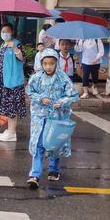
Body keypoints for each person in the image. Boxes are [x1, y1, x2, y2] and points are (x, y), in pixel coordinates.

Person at [26, 49, 79, 189]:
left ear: (56, 63)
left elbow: (73, 95)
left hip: (57, 117)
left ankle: (53, 169)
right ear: (41, 64)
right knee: (39, 143)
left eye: (51, 63)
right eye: (45, 63)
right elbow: (30, 91)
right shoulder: (36, 78)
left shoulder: (63, 78)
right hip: (40, 117)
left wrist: (62, 102)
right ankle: (34, 175)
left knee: (54, 143)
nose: (48, 66)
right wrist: (40, 98)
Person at [0, 23, 26, 142]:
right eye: (2, 31)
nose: (4, 34)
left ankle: (12, 132)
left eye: (7, 31)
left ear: (12, 32)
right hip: (3, 81)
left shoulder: (16, 44)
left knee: (13, 106)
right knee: (7, 106)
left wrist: (15, 48)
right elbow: (0, 63)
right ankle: (10, 130)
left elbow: (23, 59)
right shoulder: (3, 45)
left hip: (13, 82)